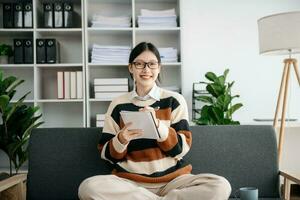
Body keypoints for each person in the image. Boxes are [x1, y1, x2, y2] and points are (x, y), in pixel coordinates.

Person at [78, 42, 231, 200]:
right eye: (139, 64)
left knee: (220, 186)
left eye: (152, 64)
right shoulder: (118, 104)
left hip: (174, 181)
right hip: (130, 183)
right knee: (88, 187)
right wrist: (121, 140)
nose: (146, 70)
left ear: (159, 68)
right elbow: (106, 154)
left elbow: (182, 149)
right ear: (131, 68)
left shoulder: (174, 100)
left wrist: (159, 127)